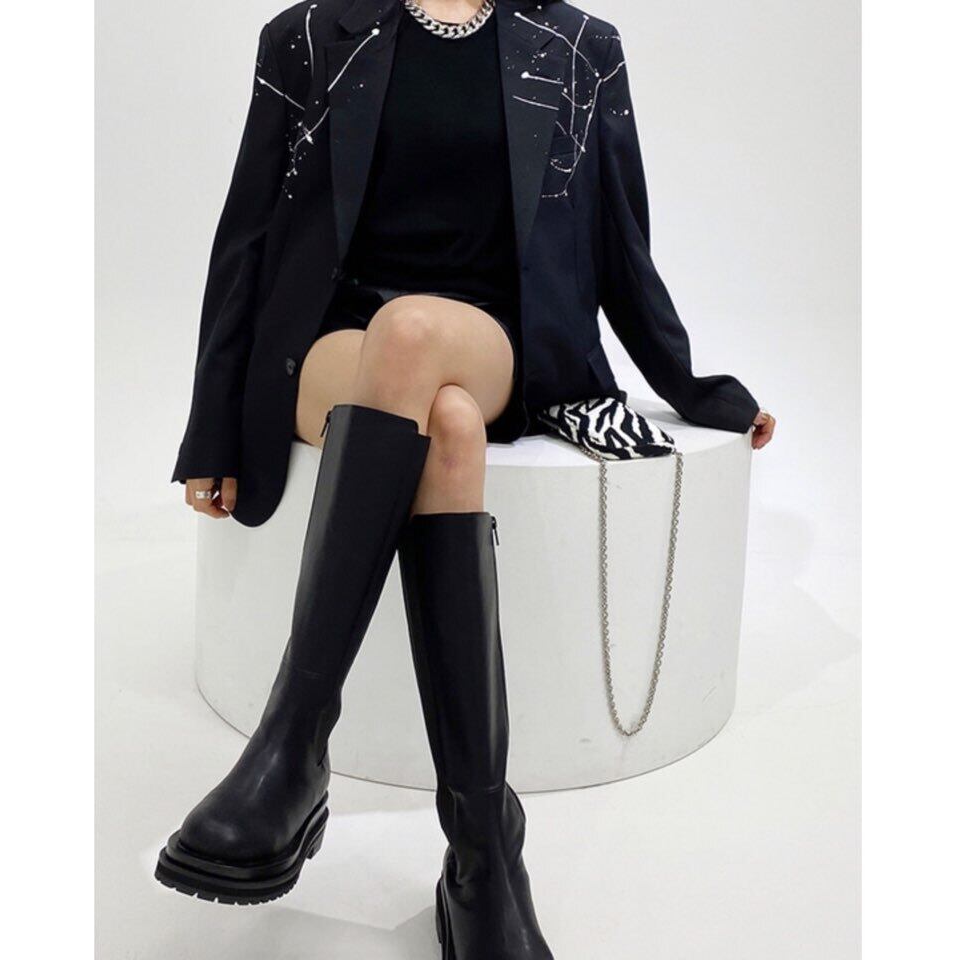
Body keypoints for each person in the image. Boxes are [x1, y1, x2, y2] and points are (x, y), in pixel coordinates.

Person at [155, 2, 776, 957]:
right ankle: (484, 845)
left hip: (485, 337)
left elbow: (622, 245)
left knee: (416, 338)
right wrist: (212, 427)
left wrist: (700, 391)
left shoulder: (579, 47)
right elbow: (247, 230)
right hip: (333, 345)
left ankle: (291, 751)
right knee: (444, 422)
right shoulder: (310, 34)